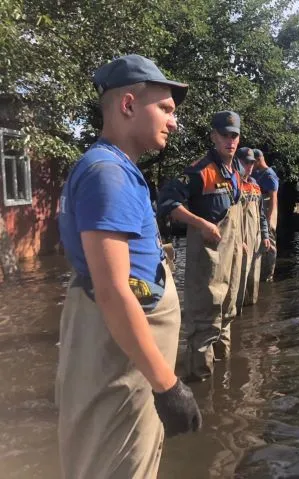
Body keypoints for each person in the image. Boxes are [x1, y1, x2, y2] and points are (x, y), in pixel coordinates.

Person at [56, 54, 202, 479]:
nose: (173, 122)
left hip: (125, 354)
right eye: (166, 109)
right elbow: (113, 291)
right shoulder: (108, 176)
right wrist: (168, 386)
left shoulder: (115, 169)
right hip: (119, 358)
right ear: (127, 105)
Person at [157, 111, 244, 381]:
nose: (229, 140)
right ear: (213, 137)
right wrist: (202, 224)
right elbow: (167, 203)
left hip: (231, 258)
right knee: (205, 323)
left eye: (234, 135)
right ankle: (200, 386)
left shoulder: (236, 171)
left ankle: (222, 380)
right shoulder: (200, 170)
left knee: (227, 315)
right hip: (207, 261)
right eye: (224, 135)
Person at [235, 147, 270, 312]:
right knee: (239, 278)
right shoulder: (233, 183)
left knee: (253, 278)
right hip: (240, 240)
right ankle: (237, 313)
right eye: (245, 162)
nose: (249, 166)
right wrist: (238, 240)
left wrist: (265, 235)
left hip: (256, 239)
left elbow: (261, 213)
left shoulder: (255, 185)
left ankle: (251, 312)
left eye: (251, 163)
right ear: (238, 162)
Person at [251, 149, 279, 282]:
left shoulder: (269, 175)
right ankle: (259, 273)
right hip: (258, 215)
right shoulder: (256, 173)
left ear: (258, 160)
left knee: (270, 245)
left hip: (267, 215)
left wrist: (270, 221)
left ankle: (269, 275)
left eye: (252, 161)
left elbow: (273, 199)